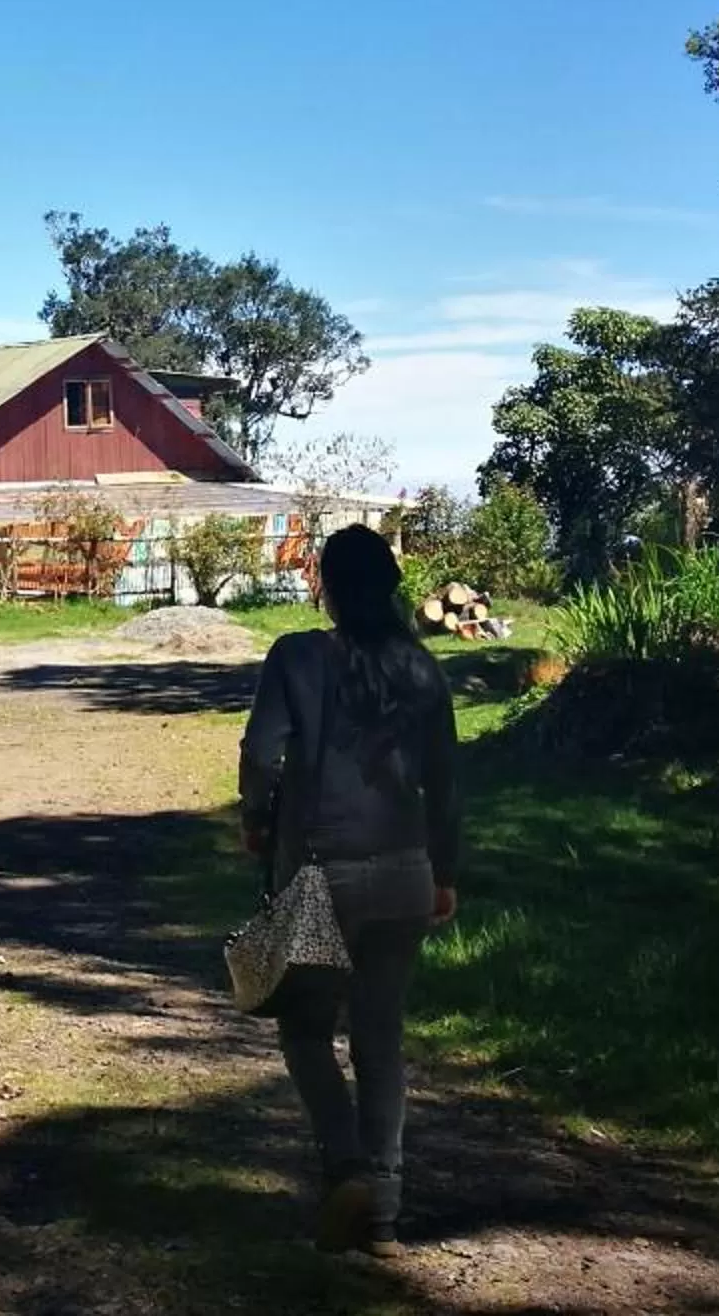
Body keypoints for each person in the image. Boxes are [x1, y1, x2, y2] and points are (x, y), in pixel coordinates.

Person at [238, 523, 462, 1258]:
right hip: (405, 872)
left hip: (320, 873)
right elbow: (446, 784)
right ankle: (385, 1215)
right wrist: (446, 873)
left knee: (304, 1032)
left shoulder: (297, 656)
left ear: (325, 587)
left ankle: (348, 1167)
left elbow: (262, 753)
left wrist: (257, 825)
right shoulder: (423, 670)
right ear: (393, 589)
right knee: (381, 1038)